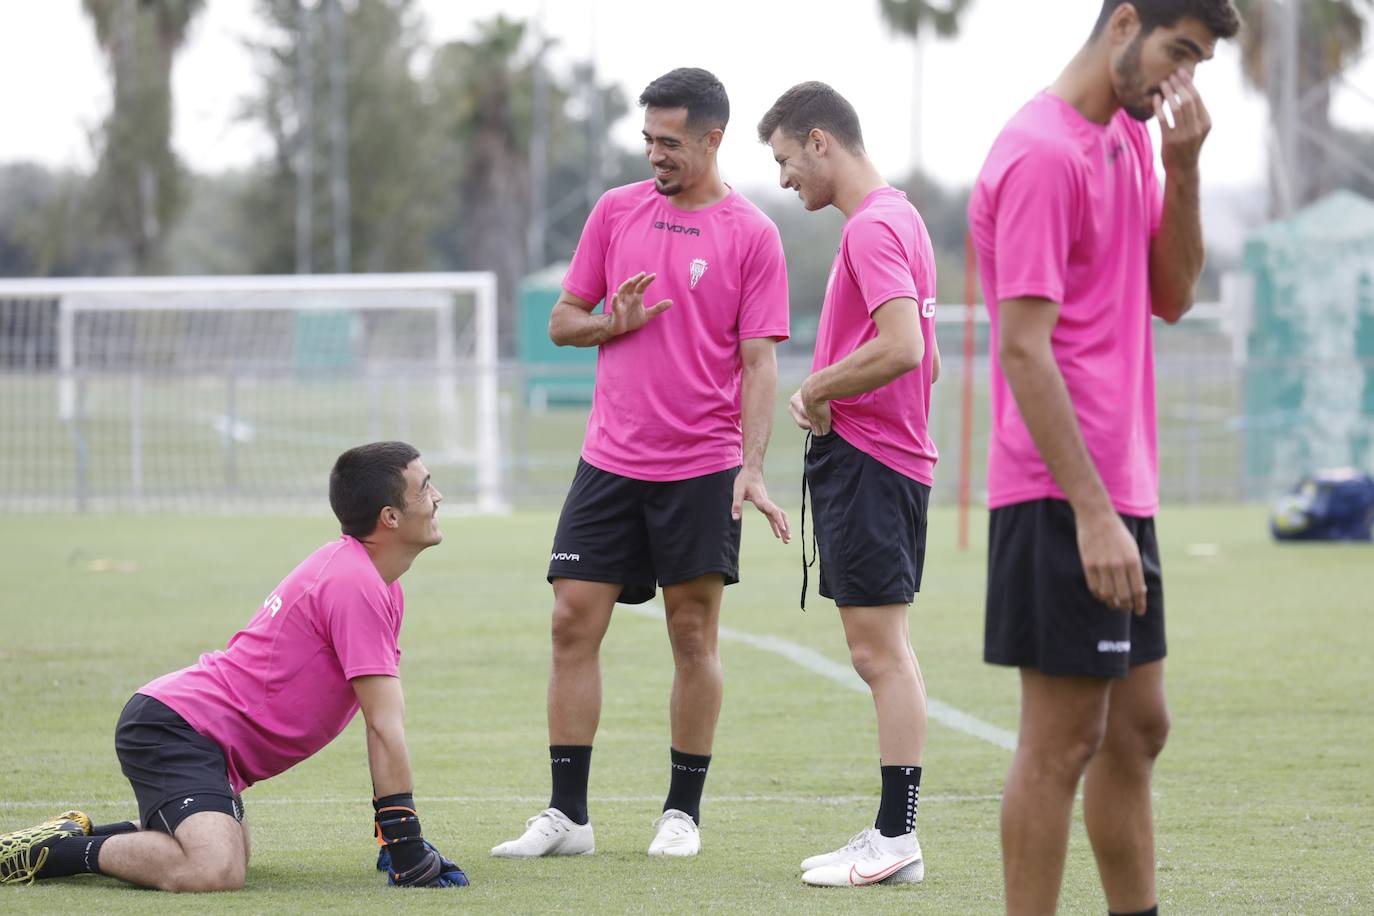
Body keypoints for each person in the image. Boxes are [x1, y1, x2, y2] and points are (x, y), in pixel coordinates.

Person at [967, 2, 1240, 913]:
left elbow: (1173, 292)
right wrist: (1091, 513)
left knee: (1138, 732)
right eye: (1178, 51)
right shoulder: (1042, 152)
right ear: (1124, 21)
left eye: (1197, 62)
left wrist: (1184, 166)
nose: (1182, 80)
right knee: (1064, 742)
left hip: (1121, 484)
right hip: (1059, 489)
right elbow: (1021, 348)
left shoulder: (1125, 139)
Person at [491, 67, 791, 861]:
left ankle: (681, 813)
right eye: (648, 139)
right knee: (569, 623)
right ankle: (568, 817)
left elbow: (760, 365)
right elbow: (563, 321)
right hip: (609, 463)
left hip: (701, 466)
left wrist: (751, 467)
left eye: (669, 141)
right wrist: (607, 326)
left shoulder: (754, 234)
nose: (654, 153)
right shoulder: (615, 211)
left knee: (692, 635)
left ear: (712, 139)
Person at [0, 442, 466, 891]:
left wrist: (397, 831)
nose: (437, 496)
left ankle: (75, 832)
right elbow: (383, 724)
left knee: (230, 851)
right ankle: (48, 854)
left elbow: (380, 721)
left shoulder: (375, 582)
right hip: (175, 726)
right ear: (390, 517)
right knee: (214, 868)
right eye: (425, 487)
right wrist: (404, 839)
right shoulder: (354, 582)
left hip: (198, 735)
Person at [758, 81, 941, 888]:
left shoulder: (872, 229)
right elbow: (923, 358)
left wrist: (818, 387)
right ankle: (893, 833)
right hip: (884, 461)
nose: (786, 178)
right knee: (887, 650)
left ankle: (896, 840)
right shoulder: (900, 217)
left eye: (788, 160)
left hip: (873, 465)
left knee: (878, 654)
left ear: (822, 141)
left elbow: (903, 347)